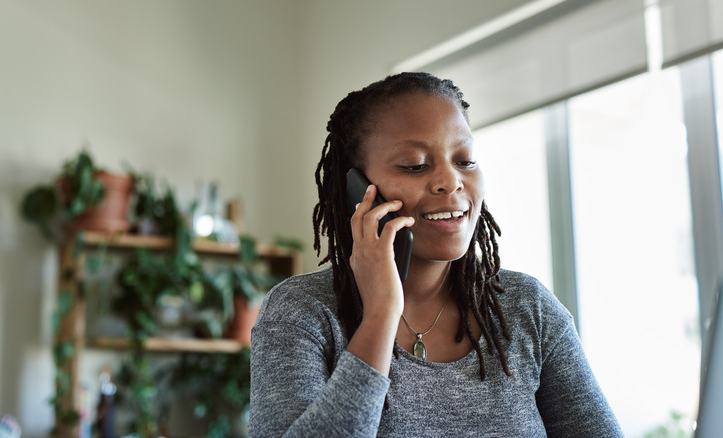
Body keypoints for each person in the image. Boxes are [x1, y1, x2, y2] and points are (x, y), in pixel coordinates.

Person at [249, 72, 623, 437]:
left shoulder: (528, 308)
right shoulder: (302, 313)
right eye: (415, 165)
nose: (452, 180)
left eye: (465, 160)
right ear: (355, 188)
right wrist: (380, 313)